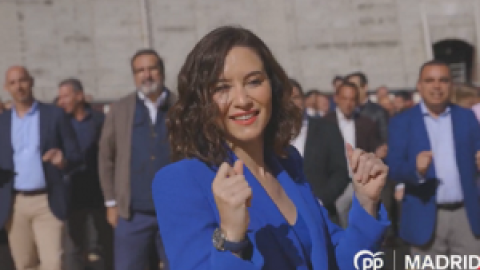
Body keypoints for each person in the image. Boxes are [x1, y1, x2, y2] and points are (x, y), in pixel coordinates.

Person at [152, 26, 390, 270]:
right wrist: (231, 238)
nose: (243, 100)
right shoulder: (180, 181)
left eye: (254, 81)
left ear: (273, 88)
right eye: (222, 87)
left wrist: (366, 203)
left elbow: (337, 259)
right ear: (200, 101)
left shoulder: (288, 162)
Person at [386, 60, 480, 255]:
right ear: (419, 86)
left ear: (451, 85)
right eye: (430, 80)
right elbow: (394, 167)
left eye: (443, 80)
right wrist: (416, 170)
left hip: (466, 216)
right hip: (424, 216)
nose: (437, 86)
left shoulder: (466, 117)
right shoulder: (401, 122)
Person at [98, 49, 175, 270]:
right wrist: (111, 202)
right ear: (134, 76)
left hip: (174, 212)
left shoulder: (180, 106)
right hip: (132, 214)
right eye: (140, 70)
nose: (146, 75)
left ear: (161, 71)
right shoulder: (120, 109)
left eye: (151, 68)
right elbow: (106, 157)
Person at [0, 66, 81, 270]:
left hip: (48, 201)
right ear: (6, 88)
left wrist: (63, 160)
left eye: (22, 81)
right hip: (15, 204)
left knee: (53, 263)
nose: (19, 87)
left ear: (32, 82)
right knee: (24, 264)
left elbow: (75, 154)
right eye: (13, 83)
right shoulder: (2, 123)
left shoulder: (54, 115)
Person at [57, 78, 113, 270]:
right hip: (72, 194)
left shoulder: (99, 121)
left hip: (99, 192)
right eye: (60, 97)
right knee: (74, 247)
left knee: (105, 242)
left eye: (66, 96)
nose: (61, 101)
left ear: (79, 96)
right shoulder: (60, 123)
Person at [290, 79, 351, 224]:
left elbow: (340, 172)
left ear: (304, 100)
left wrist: (320, 200)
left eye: (295, 97)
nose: (290, 103)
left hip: (323, 215)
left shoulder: (327, 129)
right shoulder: (269, 136)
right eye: (284, 99)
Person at [324, 82, 382, 228]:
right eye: (344, 98)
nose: (348, 104)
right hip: (335, 185)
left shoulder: (366, 124)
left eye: (352, 99)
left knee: (362, 226)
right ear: (336, 98)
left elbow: (373, 150)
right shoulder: (324, 123)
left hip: (360, 182)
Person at [345, 72, 389, 142]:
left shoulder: (378, 112)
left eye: (355, 87)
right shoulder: (344, 112)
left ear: (365, 87)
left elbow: (384, 139)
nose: (352, 91)